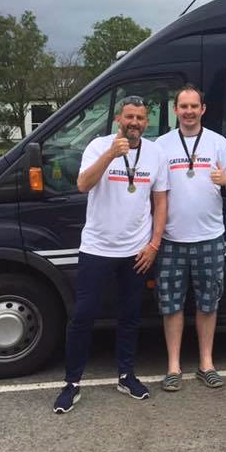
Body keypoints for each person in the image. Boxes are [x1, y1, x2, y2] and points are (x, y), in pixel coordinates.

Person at [53, 95, 168, 414]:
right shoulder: (98, 146)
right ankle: (72, 383)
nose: (134, 123)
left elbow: (160, 201)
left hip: (137, 250)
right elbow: (82, 184)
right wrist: (109, 155)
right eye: (129, 117)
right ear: (119, 119)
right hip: (97, 248)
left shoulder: (155, 153)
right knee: (83, 316)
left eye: (140, 118)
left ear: (146, 122)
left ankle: (126, 375)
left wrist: (154, 244)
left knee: (130, 316)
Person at [154, 85, 226, 391]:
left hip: (209, 236)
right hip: (171, 238)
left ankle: (206, 364)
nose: (188, 111)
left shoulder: (218, 143)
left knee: (208, 303)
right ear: (175, 110)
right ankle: (173, 367)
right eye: (183, 106)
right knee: (171, 305)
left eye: (194, 106)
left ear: (203, 109)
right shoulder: (161, 145)